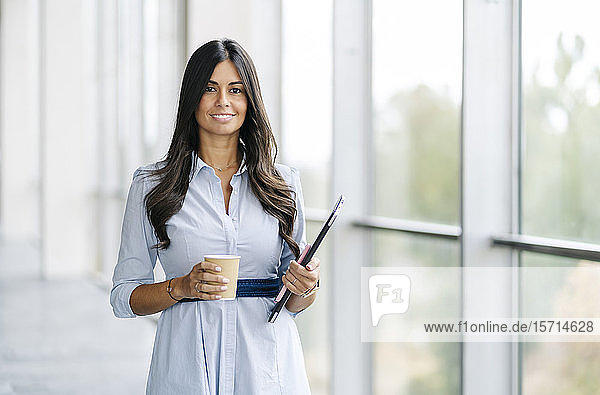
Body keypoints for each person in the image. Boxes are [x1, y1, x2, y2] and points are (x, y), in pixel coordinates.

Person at [110, 38, 320, 394]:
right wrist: (180, 287)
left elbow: (297, 301)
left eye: (235, 90)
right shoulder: (151, 186)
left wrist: (307, 286)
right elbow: (123, 296)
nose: (223, 101)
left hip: (268, 370)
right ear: (193, 98)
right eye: (210, 88)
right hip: (186, 370)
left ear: (249, 101)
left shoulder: (283, 183)